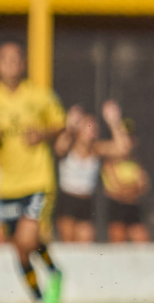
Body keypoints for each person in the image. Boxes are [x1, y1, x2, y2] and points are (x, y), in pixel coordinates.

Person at [0, 41, 67, 303]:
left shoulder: (40, 95)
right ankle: (41, 296)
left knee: (27, 239)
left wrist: (43, 134)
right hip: (7, 184)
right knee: (20, 248)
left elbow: (60, 124)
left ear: (23, 64)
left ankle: (52, 276)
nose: (11, 64)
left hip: (37, 179)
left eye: (16, 59)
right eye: (5, 59)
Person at [53, 101, 131, 242]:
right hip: (68, 202)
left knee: (85, 242)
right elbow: (59, 147)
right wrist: (69, 125)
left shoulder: (96, 149)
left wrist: (114, 122)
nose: (91, 131)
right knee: (69, 243)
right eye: (87, 127)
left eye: (94, 128)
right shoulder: (69, 147)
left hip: (86, 202)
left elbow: (123, 149)